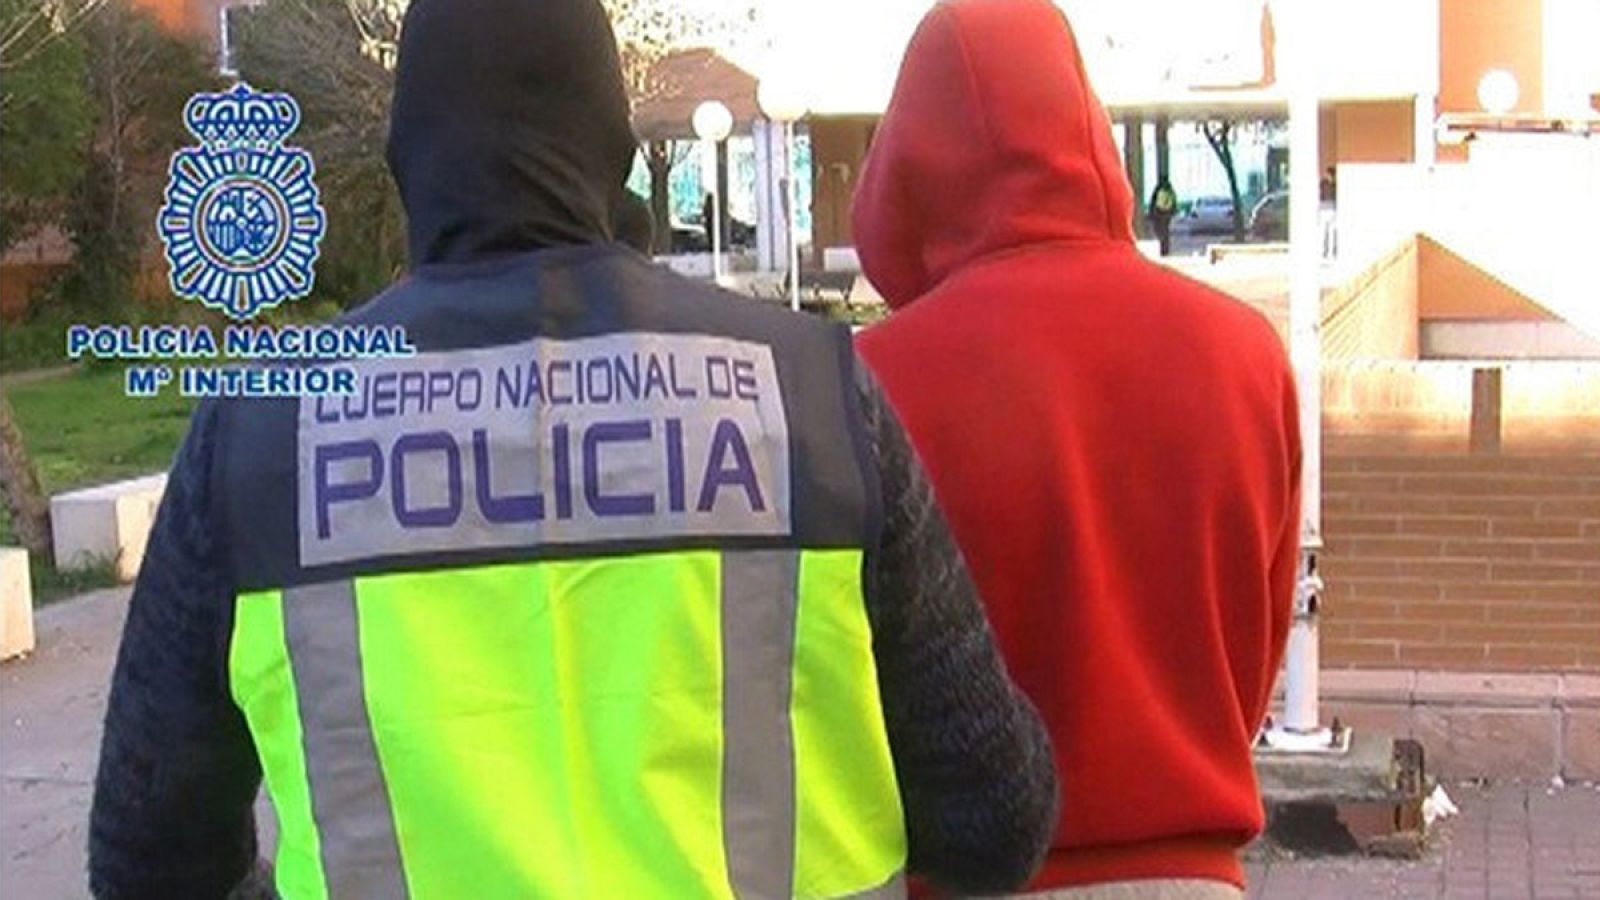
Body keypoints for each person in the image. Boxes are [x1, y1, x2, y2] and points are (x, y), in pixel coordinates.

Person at [86, 0, 1057, 896]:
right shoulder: (807, 390)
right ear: (614, 150)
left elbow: (147, 860)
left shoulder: (266, 427)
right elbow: (990, 827)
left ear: (406, 157)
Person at [852, 0, 1301, 897]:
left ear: (906, 162)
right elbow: (1254, 654)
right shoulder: (1245, 352)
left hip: (968, 878)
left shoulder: (867, 381)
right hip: (1195, 874)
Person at [1148, 177, 1178, 256]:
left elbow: (1153, 203)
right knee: (1165, 232)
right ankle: (1165, 249)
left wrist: (1152, 214)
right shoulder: (1170, 191)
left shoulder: (1158, 190)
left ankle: (1163, 249)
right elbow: (1174, 203)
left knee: (1160, 232)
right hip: (1166, 214)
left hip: (1160, 213)